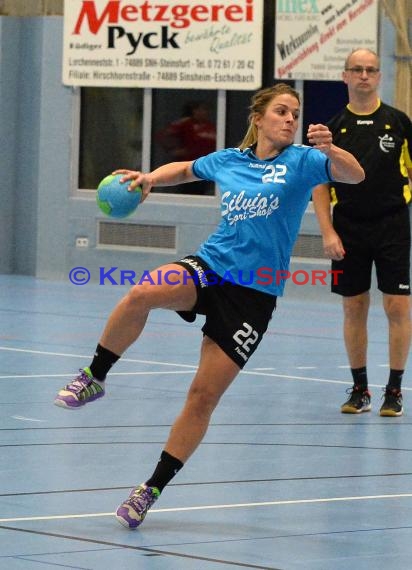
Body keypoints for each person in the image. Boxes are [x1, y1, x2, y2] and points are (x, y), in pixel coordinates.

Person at [55, 83, 364, 529]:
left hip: (253, 297)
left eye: (295, 113)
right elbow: (185, 169)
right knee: (142, 292)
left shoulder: (304, 162)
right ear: (259, 117)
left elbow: (354, 176)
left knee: (202, 397)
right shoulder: (230, 160)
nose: (290, 120)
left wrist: (333, 149)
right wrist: (148, 180)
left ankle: (149, 489)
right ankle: (95, 376)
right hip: (211, 265)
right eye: (282, 111)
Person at [312, 48, 412, 417]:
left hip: (393, 225)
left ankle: (395, 390)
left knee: (397, 306)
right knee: (354, 306)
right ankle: (359, 389)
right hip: (348, 227)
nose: (365, 75)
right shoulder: (332, 128)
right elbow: (319, 185)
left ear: (379, 76)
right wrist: (327, 232)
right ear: (345, 76)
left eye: (371, 69)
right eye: (357, 69)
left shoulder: (399, 123)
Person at [155, 100, 217, 195]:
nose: (204, 112)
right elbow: (161, 135)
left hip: (206, 168)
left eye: (206, 110)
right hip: (188, 168)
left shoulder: (211, 126)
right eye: (201, 109)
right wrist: (172, 150)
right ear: (194, 111)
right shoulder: (185, 124)